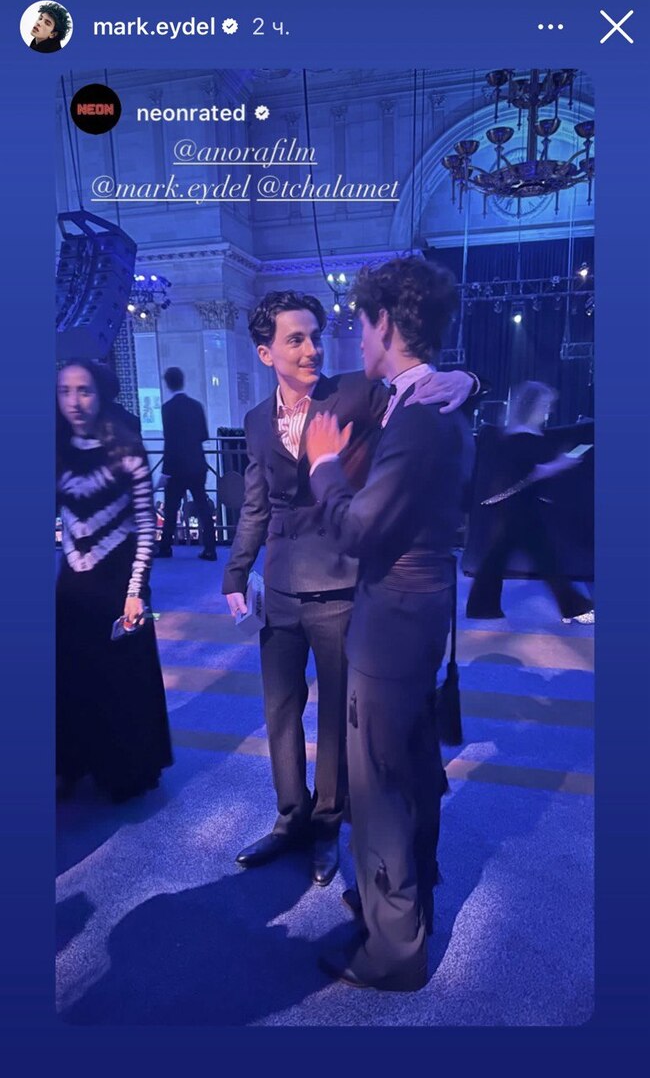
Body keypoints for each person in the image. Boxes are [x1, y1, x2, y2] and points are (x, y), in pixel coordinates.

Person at [222, 288, 479, 888]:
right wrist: (236, 571)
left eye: (315, 336)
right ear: (266, 353)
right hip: (280, 586)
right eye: (295, 339)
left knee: (337, 716)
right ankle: (290, 816)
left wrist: (467, 380)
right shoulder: (256, 420)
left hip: (340, 579)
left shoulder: (355, 392)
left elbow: (416, 394)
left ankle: (327, 824)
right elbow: (256, 506)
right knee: (280, 711)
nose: (312, 349)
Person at [304, 255, 473, 991]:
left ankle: (395, 947)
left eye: (360, 324)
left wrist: (322, 467)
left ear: (384, 323)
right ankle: (401, 900)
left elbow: (359, 529)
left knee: (378, 783)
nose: (356, 339)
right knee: (409, 766)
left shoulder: (420, 417)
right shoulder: (435, 402)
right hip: (419, 611)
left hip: (394, 619)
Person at [56, 360, 173, 803]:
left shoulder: (127, 448)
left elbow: (146, 525)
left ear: (100, 394)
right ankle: (74, 762)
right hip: (72, 583)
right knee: (71, 675)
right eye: (65, 391)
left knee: (121, 679)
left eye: (83, 390)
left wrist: (135, 590)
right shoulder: (56, 448)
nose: (74, 401)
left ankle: (125, 769)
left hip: (118, 580)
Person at [465, 380, 594, 623]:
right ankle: (573, 607)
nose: (548, 410)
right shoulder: (521, 436)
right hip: (517, 508)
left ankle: (481, 607)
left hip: (520, 506)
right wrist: (560, 464)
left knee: (506, 558)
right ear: (531, 405)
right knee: (541, 559)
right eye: (545, 404)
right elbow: (530, 473)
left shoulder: (521, 434)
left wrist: (557, 464)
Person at [156, 367, 217, 561]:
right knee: (202, 506)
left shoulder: (167, 409)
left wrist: (165, 472)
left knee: (171, 508)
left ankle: (165, 547)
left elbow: (170, 442)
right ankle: (210, 549)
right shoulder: (196, 406)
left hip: (176, 468)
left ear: (168, 383)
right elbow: (203, 435)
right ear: (183, 381)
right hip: (197, 464)